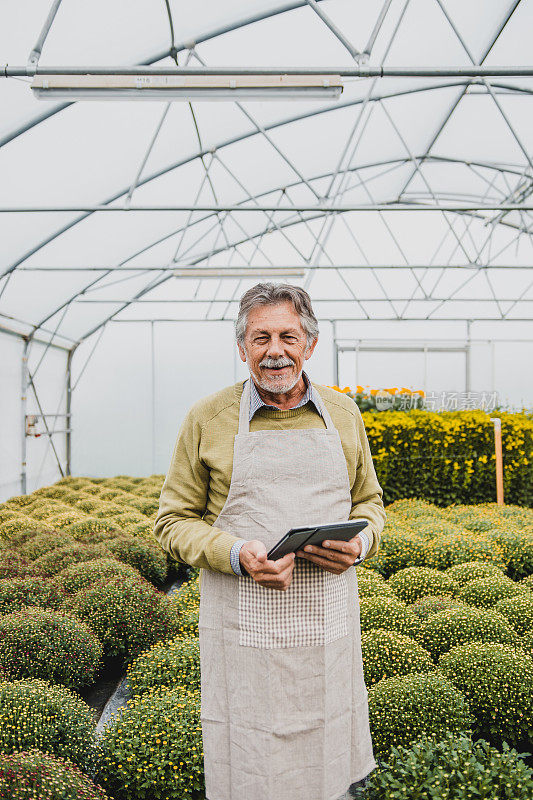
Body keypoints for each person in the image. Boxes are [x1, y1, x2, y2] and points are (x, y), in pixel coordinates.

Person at [154, 282, 387, 800]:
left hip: (327, 625)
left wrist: (362, 542)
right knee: (251, 765)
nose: (275, 351)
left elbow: (370, 503)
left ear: (310, 344)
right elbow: (172, 521)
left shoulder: (344, 414)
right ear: (242, 348)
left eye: (288, 336)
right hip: (245, 629)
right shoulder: (208, 418)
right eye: (261, 338)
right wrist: (236, 554)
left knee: (327, 763)